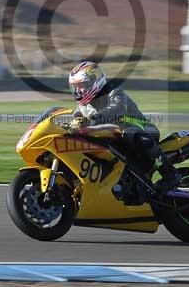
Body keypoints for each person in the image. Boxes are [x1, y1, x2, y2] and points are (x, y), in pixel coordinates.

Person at [67, 60, 180, 192]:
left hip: (142, 130)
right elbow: (76, 120)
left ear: (94, 81)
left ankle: (170, 174)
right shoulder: (83, 106)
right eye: (75, 87)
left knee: (129, 133)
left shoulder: (114, 91)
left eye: (81, 85)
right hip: (117, 137)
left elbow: (117, 109)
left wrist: (92, 119)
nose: (78, 90)